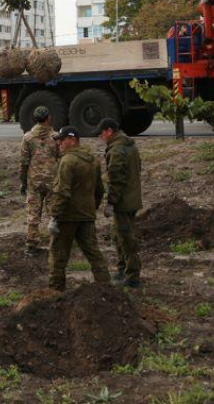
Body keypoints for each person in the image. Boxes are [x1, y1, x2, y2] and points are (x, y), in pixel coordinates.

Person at [47, 125, 110, 291]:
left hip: (67, 217)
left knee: (58, 257)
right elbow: (99, 190)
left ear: (72, 139)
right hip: (86, 216)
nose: (59, 143)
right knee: (94, 253)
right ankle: (106, 289)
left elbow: (62, 192)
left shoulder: (67, 161)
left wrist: (54, 217)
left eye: (62, 140)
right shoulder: (92, 160)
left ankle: (55, 292)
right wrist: (91, 209)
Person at [97, 118, 143, 288]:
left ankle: (132, 276)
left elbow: (116, 180)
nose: (102, 137)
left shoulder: (116, 150)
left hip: (123, 203)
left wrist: (111, 203)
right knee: (119, 235)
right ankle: (123, 269)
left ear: (109, 131)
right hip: (133, 199)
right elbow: (137, 168)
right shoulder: (130, 145)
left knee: (126, 238)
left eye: (102, 133)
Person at [19, 106, 59, 255]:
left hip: (34, 181)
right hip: (52, 180)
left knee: (33, 215)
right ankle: (56, 243)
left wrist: (23, 181)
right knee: (54, 213)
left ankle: (31, 245)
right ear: (48, 118)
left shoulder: (28, 137)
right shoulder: (55, 137)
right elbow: (61, 157)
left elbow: (23, 162)